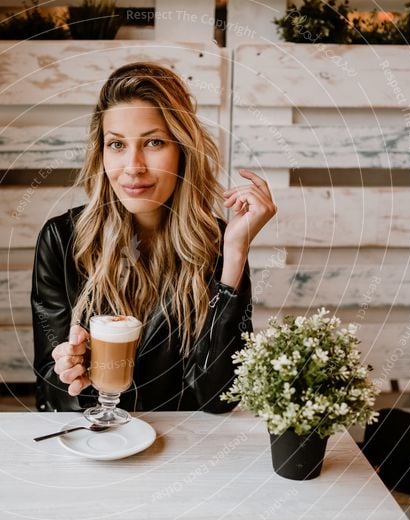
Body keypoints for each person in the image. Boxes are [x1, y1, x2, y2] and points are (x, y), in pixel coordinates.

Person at [30, 61, 276, 413]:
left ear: (182, 150)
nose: (133, 166)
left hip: (185, 448)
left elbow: (217, 398)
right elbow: (52, 391)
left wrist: (235, 254)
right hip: (98, 445)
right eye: (116, 144)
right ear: (101, 154)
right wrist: (69, 373)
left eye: (154, 142)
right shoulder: (61, 240)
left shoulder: (218, 242)